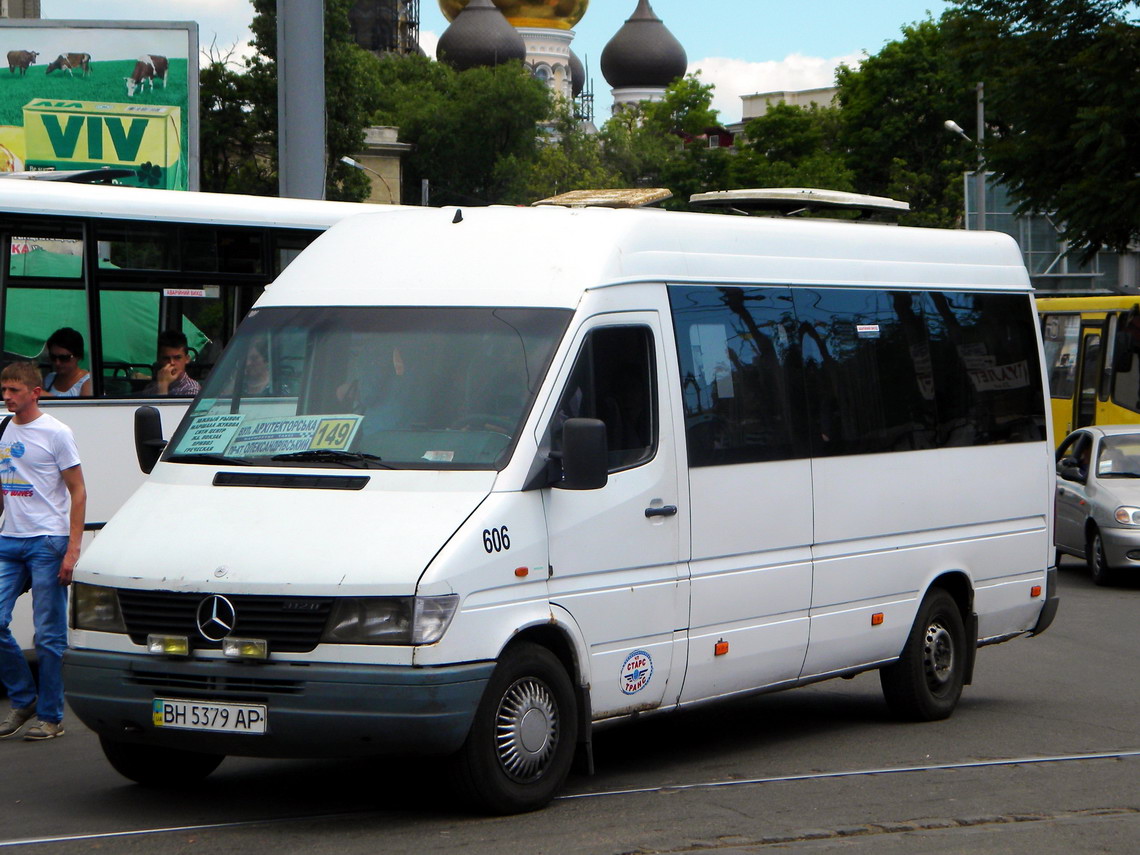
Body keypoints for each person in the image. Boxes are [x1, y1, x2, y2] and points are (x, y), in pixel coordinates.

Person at [0, 361, 86, 741]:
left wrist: (72, 549)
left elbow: (78, 490)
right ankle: (24, 698)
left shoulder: (57, 433)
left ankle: (50, 716)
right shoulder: (2, 430)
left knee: (48, 635)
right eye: (4, 390)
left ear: (36, 392)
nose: (7, 397)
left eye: (14, 390)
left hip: (47, 541)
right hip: (9, 540)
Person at [143, 330, 201, 396]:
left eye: (177, 358)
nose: (172, 363)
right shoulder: (151, 388)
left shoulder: (192, 389)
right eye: (166, 358)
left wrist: (163, 386)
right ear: (159, 360)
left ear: (187, 359)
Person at [41, 328, 92, 398]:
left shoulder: (88, 382)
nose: (57, 363)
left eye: (64, 358)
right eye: (53, 357)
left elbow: (88, 408)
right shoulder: (49, 379)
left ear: (78, 356)